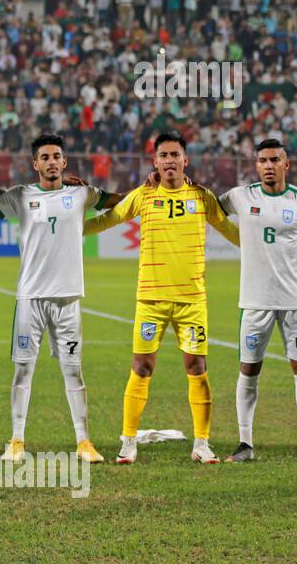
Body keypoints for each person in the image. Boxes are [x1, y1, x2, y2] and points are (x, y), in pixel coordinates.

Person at [84, 132, 241, 464]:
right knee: (141, 367)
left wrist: (267, 247)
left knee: (197, 366)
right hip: (151, 301)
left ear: (186, 160)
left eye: (175, 154)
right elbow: (110, 218)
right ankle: (128, 442)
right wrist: (70, 229)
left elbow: (229, 229)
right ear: (155, 162)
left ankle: (202, 444)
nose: (169, 160)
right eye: (164, 155)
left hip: (191, 301)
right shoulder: (143, 195)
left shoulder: (203, 197)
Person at [0, 134, 125, 462]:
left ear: (64, 162)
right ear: (35, 164)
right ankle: (16, 440)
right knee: (23, 371)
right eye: (44, 157)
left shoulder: (81, 193)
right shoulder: (20, 195)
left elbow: (118, 202)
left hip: (68, 300)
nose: (50, 162)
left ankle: (83, 441)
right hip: (30, 298)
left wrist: (148, 190)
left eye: (56, 156)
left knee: (73, 371)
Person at [218, 139, 297, 463]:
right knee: (249, 368)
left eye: (275, 160)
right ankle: (244, 444)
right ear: (256, 165)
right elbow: (209, 204)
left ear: (287, 164)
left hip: (295, 303)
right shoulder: (241, 196)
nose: (268, 165)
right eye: (263, 160)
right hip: (254, 302)